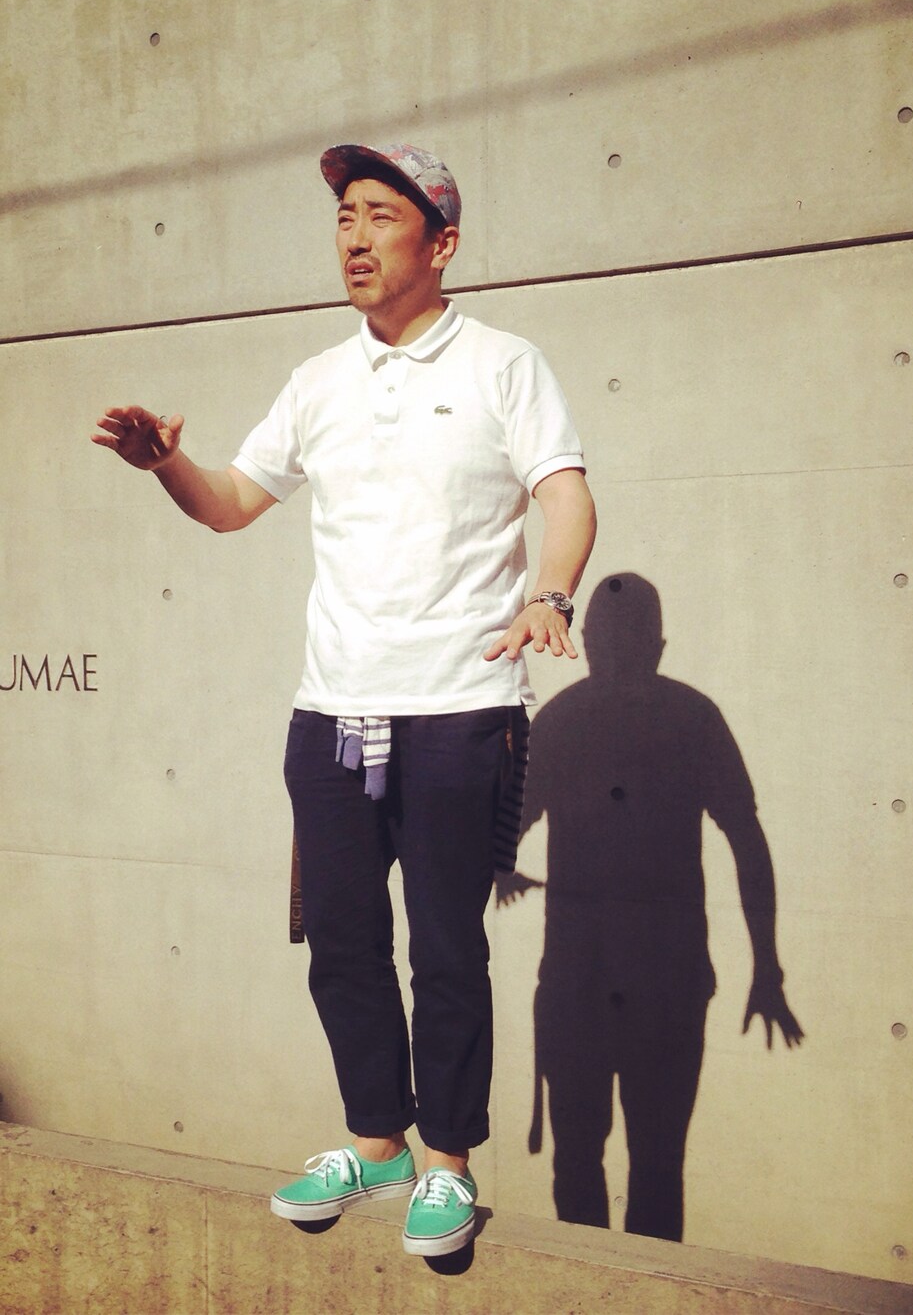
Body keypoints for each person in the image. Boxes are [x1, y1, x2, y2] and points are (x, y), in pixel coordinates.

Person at [91, 143, 596, 1257]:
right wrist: (166, 464)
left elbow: (564, 494)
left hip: (460, 706)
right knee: (342, 942)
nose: (354, 237)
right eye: (342, 217)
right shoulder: (318, 380)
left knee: (447, 948)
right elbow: (232, 502)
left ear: (441, 242)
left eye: (379, 214)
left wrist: (550, 592)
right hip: (331, 713)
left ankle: (447, 1163)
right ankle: (377, 1141)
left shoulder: (504, 365)